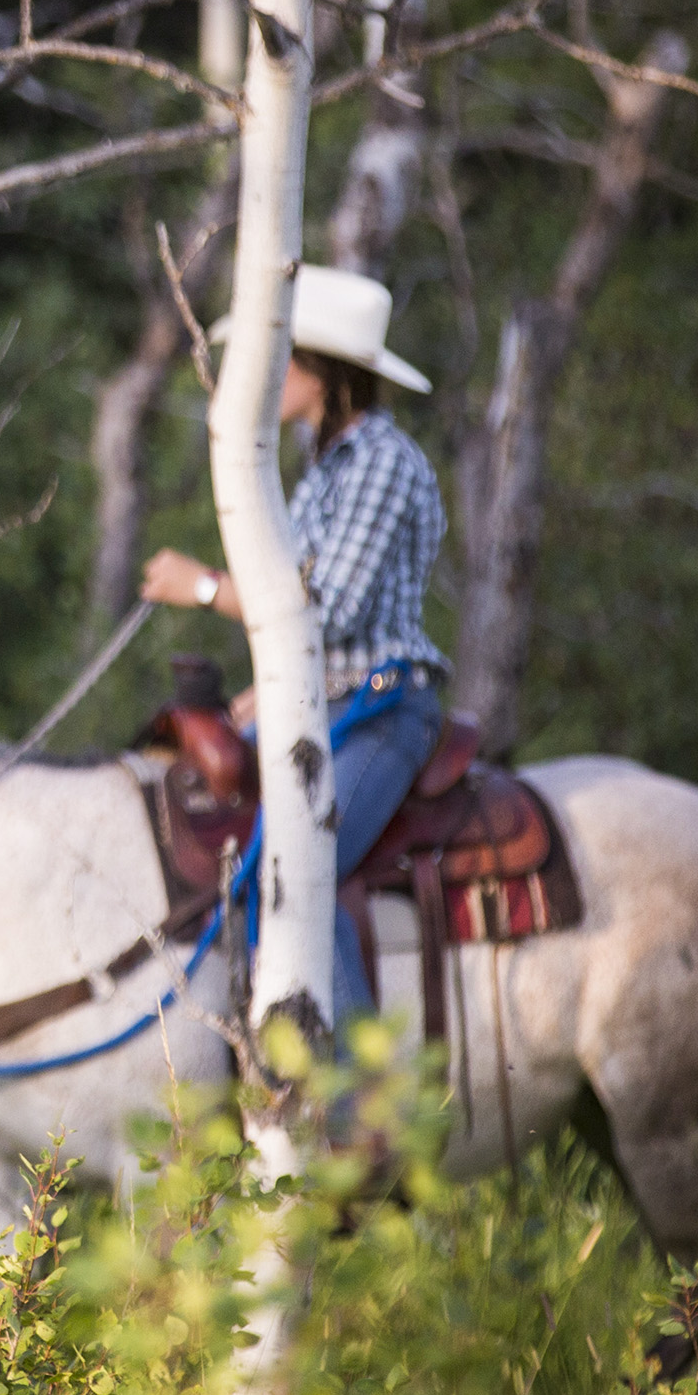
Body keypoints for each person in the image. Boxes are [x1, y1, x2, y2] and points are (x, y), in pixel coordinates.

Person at [133, 268, 448, 1017]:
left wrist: (204, 587)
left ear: (323, 372)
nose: (265, 377)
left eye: (280, 361)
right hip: (330, 706)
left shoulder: (379, 462)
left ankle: (357, 1111)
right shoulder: (323, 470)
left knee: (298, 867)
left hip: (384, 711)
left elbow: (325, 613)